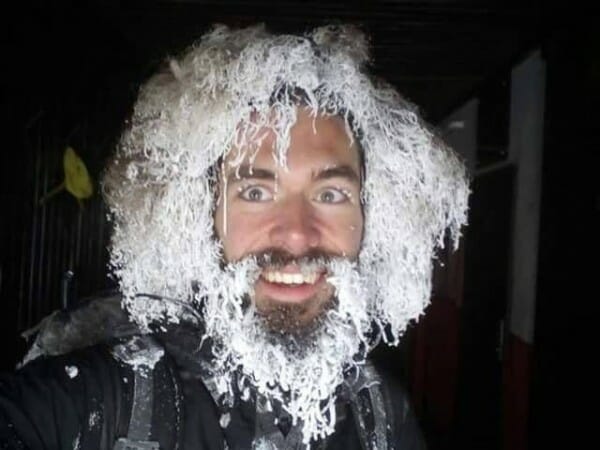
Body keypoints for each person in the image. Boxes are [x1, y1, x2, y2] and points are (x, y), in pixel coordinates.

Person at [0, 24, 469, 449]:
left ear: (369, 216)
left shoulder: (383, 418)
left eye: (330, 194)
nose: (297, 234)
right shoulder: (98, 402)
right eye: (256, 191)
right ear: (205, 216)